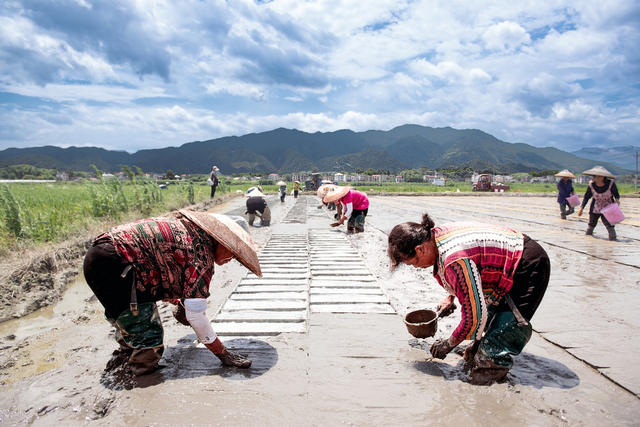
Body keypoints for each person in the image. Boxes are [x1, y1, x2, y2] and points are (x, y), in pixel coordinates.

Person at [82, 209, 262, 375]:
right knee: (148, 336)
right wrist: (223, 354)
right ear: (221, 241)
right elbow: (197, 317)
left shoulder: (190, 232)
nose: (231, 259)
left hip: (99, 255)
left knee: (128, 318)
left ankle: (126, 353)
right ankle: (139, 377)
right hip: (118, 265)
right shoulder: (201, 256)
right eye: (233, 252)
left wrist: (179, 303)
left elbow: (162, 269)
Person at [387, 214, 550, 385]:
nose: (416, 267)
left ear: (420, 249)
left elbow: (474, 318)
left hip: (526, 264)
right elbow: (467, 272)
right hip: (503, 261)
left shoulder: (454, 259)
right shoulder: (434, 237)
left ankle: (492, 374)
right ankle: (479, 348)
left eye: (413, 262)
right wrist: (450, 297)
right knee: (489, 318)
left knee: (503, 333)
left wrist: (448, 344)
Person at [577, 166, 621, 241]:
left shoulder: (611, 184)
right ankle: (588, 240)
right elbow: (587, 197)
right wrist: (581, 208)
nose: (597, 178)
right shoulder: (591, 185)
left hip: (608, 207)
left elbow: (616, 194)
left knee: (610, 225)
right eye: (596, 176)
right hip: (595, 208)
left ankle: (613, 240)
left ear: (604, 177)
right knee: (591, 225)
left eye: (599, 176)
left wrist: (617, 200)